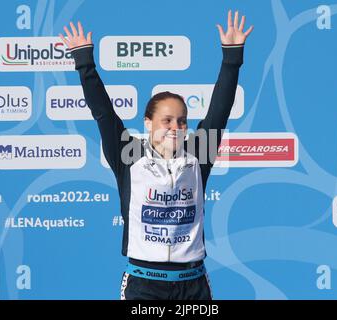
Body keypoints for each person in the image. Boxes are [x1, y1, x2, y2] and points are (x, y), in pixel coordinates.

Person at [59, 10, 253, 300]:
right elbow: (103, 112)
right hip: (143, 286)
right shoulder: (128, 154)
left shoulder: (199, 154)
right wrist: (84, 62)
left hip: (194, 285)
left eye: (181, 121)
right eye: (167, 120)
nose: (175, 128)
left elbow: (219, 113)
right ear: (148, 123)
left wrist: (231, 58)